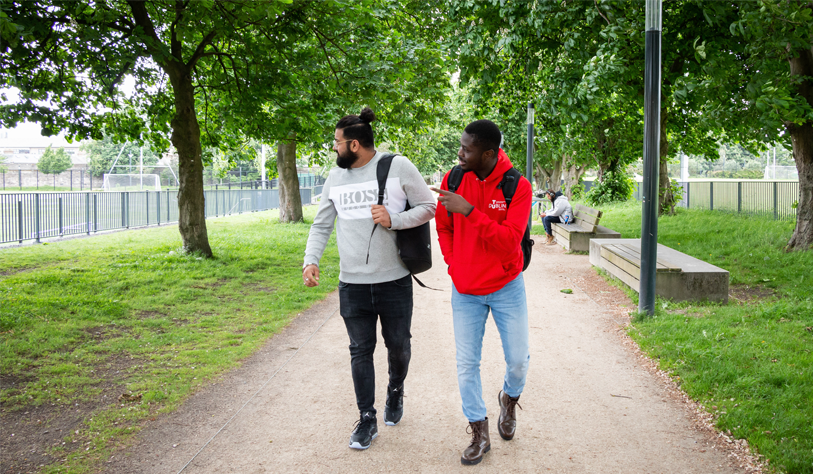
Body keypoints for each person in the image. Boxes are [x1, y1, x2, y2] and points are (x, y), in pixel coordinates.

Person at [302, 107, 435, 450]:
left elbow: (428, 206)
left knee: (399, 346)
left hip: (394, 281)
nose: (334, 149)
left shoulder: (397, 167)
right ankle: (367, 418)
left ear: (355, 145)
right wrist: (310, 261)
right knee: (360, 350)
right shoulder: (335, 178)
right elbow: (321, 224)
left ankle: (395, 389)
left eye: (337, 143)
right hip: (352, 284)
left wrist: (395, 219)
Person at [431, 119, 532, 466]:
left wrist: (470, 211)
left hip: (506, 286)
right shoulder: (453, 179)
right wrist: (453, 264)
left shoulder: (516, 186)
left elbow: (508, 243)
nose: (459, 153)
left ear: (488, 153)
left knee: (518, 360)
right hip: (466, 289)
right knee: (466, 364)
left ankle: (509, 398)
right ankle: (479, 430)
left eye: (467, 148)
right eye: (460, 145)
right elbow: (443, 226)